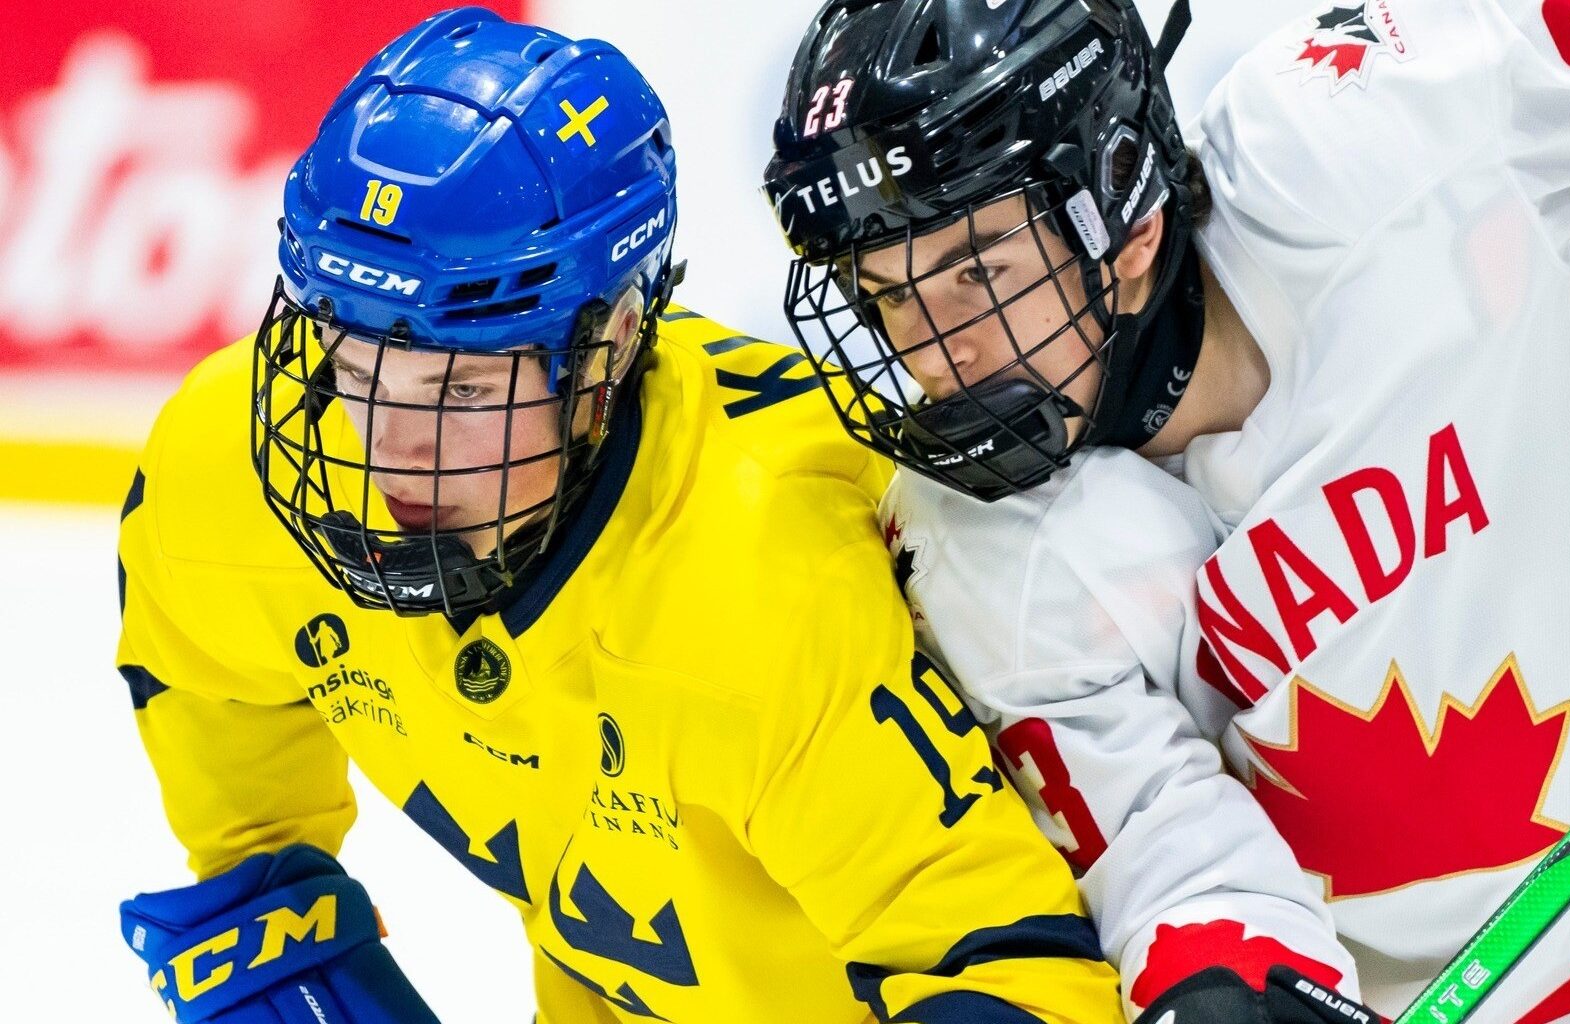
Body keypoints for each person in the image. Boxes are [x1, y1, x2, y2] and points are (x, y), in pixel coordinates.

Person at [113, 8, 1128, 1023]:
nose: (392, 448)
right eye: (356, 368)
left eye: (462, 391)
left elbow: (1010, 971)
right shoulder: (225, 477)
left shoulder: (767, 581)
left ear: (606, 353)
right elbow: (236, 796)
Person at [764, 0, 1570, 1019]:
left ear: (1126, 214)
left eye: (975, 273)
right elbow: (1168, 852)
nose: (935, 353)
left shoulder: (1351, 134)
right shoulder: (982, 545)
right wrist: (1232, 992)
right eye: (888, 296)